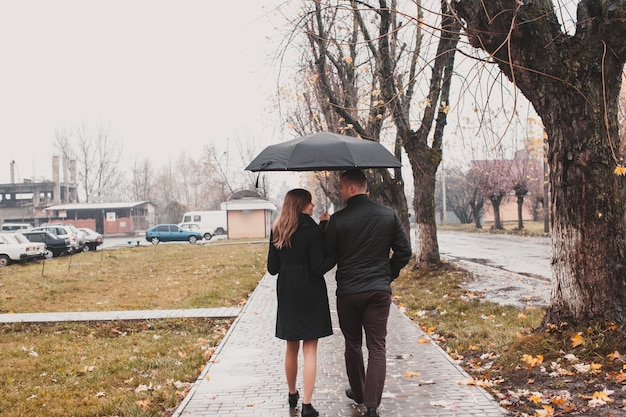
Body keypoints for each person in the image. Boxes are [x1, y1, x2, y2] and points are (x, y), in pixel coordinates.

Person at [324, 169, 412, 417]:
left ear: (353, 188)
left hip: (349, 292)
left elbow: (328, 256)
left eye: (341, 187)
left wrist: (323, 228)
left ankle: (359, 392)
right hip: (378, 291)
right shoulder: (388, 215)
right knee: (377, 347)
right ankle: (371, 405)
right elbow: (404, 251)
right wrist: (387, 274)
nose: (340, 192)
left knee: (352, 344)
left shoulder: (338, 221)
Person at [267, 188, 336, 417]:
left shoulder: (278, 229)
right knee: (310, 349)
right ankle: (307, 404)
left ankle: (291, 394)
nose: (313, 206)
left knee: (291, 345)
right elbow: (319, 267)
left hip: (287, 291)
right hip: (310, 291)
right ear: (302, 205)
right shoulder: (313, 230)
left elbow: (272, 268)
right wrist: (331, 246)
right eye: (310, 203)